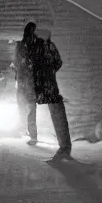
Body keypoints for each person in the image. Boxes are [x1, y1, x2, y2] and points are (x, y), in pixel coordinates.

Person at [33, 28, 73, 160]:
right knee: (56, 110)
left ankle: (64, 147)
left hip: (47, 86)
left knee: (56, 111)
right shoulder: (47, 46)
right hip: (47, 85)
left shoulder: (42, 47)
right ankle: (65, 147)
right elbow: (57, 62)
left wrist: (46, 73)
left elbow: (51, 64)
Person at [13, 22, 38, 145]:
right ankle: (24, 131)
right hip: (23, 81)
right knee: (23, 108)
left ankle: (32, 135)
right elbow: (17, 62)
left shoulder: (35, 47)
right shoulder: (21, 46)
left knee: (30, 109)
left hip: (30, 83)